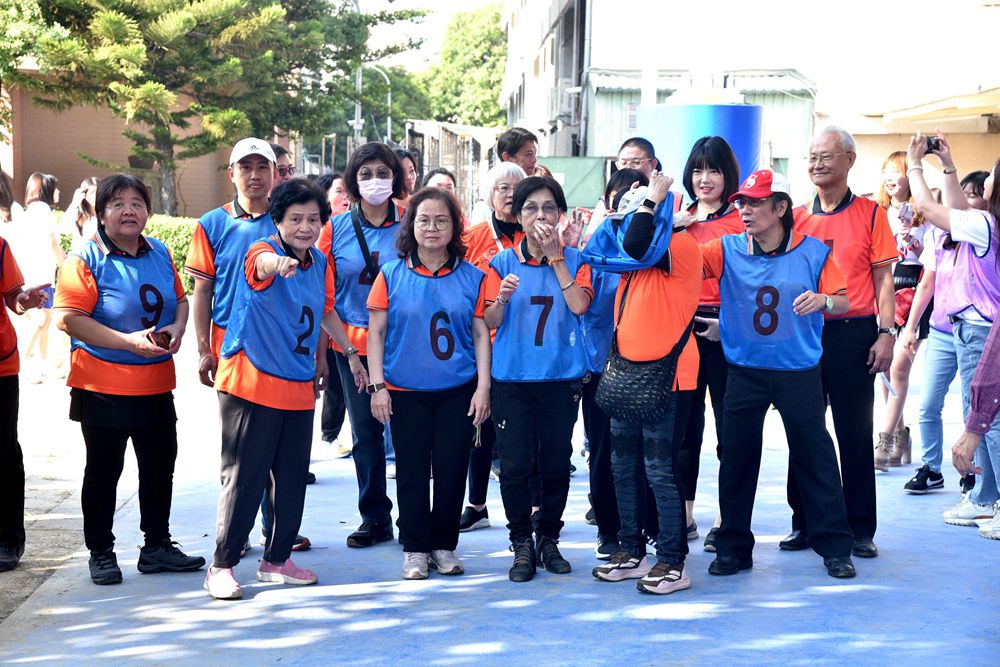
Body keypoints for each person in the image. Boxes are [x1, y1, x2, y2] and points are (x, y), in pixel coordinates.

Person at [204, 178, 366, 599]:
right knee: (246, 476)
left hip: (296, 381)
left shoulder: (320, 262)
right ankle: (222, 565)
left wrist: (349, 353)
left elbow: (326, 311)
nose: (305, 227)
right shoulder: (262, 249)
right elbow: (260, 266)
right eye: (295, 219)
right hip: (251, 378)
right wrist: (277, 264)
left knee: (291, 478)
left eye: (313, 219)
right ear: (277, 220)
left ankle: (277, 559)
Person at [697, 169, 857, 579]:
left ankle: (835, 547)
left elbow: (843, 302)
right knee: (736, 458)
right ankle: (733, 547)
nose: (744, 211)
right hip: (744, 370)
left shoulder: (813, 252)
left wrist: (823, 300)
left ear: (780, 207)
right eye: (741, 203)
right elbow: (683, 267)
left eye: (755, 203)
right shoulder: (725, 248)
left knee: (816, 457)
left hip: (797, 371)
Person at [53, 174, 205, 586]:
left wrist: (178, 328)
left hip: (156, 384)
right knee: (104, 473)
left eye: (137, 203)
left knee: (159, 468)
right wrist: (126, 342)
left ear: (147, 212)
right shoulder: (85, 257)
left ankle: (157, 546)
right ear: (101, 213)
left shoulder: (159, 251)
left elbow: (180, 300)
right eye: (117, 203)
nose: (128, 211)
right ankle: (101, 551)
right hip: (103, 387)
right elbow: (69, 319)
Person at [185, 137, 311, 554]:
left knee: (281, 453)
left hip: (285, 349)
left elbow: (313, 296)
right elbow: (202, 291)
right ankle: (233, 537)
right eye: (246, 167)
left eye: (263, 167)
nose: (255, 176)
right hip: (233, 351)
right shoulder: (212, 224)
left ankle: (277, 532)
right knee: (241, 452)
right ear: (231, 173)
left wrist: (320, 355)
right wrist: (203, 348)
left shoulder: (289, 221)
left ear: (277, 173)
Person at [366, 187, 492, 579]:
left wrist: (483, 387)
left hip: (457, 389)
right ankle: (415, 548)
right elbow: (376, 333)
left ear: (455, 227)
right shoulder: (391, 274)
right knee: (412, 469)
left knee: (453, 468)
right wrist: (378, 386)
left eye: (441, 220)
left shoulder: (472, 276)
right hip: (406, 391)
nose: (432, 227)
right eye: (424, 220)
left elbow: (481, 334)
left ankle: (444, 546)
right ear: (411, 225)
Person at [586, 169, 701, 594]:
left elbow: (636, 241)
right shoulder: (635, 260)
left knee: (659, 470)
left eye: (639, 217)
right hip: (628, 372)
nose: (629, 226)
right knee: (622, 466)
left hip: (669, 376)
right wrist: (632, 208)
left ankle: (672, 561)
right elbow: (619, 242)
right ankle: (631, 550)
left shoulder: (678, 245)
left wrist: (652, 199)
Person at [788, 126, 896, 559]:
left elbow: (883, 280)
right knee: (804, 430)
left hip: (854, 334)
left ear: (849, 160)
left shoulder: (871, 214)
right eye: (812, 157)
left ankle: (859, 527)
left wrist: (886, 334)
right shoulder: (796, 217)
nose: (817, 164)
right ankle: (804, 522)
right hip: (805, 334)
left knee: (854, 432)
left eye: (826, 156)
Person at [484, 175, 592, 582]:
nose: (541, 216)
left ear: (561, 215)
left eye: (549, 208)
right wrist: (502, 298)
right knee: (514, 465)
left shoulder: (576, 260)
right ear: (518, 216)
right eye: (531, 208)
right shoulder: (501, 263)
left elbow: (579, 305)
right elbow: (488, 320)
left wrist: (556, 258)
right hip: (512, 378)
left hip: (560, 378)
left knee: (555, 463)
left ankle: (548, 537)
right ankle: (521, 543)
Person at [906, 133, 1000, 532]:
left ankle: (992, 498)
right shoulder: (984, 223)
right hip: (973, 330)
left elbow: (928, 208)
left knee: (988, 421)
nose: (986, 178)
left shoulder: (985, 224)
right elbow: (956, 208)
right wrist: (946, 163)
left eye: (991, 174)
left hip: (980, 330)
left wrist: (914, 162)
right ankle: (985, 497)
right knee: (979, 416)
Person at [326, 142, 407, 547]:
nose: (375, 180)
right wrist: (340, 351)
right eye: (366, 174)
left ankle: (415, 516)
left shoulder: (413, 221)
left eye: (383, 172)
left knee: (410, 432)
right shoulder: (334, 228)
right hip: (353, 345)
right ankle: (374, 516)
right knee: (366, 433)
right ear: (353, 182)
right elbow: (323, 294)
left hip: (406, 343)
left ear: (396, 177)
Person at [672, 136, 744, 552]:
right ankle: (683, 515)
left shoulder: (741, 221)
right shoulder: (676, 219)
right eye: (698, 170)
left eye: (714, 170)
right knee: (684, 429)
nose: (705, 178)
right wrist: (673, 227)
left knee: (729, 428)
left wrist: (728, 326)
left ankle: (726, 518)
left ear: (727, 175)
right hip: (680, 329)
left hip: (725, 330)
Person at [579, 169, 646, 561]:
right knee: (605, 452)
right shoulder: (599, 244)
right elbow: (589, 306)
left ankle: (645, 526)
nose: (629, 201)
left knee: (648, 453)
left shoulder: (658, 242)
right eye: (622, 195)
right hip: (603, 366)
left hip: (650, 366)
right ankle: (609, 529)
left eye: (639, 195)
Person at [457, 161, 528, 532]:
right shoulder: (473, 237)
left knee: (525, 432)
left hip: (527, 345)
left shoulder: (538, 234)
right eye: (503, 187)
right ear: (489, 195)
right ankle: (477, 505)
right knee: (479, 426)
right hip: (482, 344)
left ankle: (534, 508)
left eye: (517, 187)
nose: (510, 194)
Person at [874, 151, 932, 468]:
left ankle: (884, 443)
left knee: (898, 368)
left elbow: (932, 260)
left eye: (895, 170)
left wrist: (915, 241)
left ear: (910, 175)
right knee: (885, 367)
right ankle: (900, 434)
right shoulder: (878, 213)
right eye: (885, 170)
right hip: (885, 290)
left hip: (916, 290)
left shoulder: (925, 212)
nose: (889, 177)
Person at [0, 239, 51, 573]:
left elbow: (12, 297)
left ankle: (8, 539)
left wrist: (23, 302)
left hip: (0, 366)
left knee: (3, 452)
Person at [9, 173, 64, 382]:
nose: (58, 191)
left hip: (34, 273)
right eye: (55, 187)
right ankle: (21, 361)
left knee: (45, 320)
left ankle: (43, 365)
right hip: (39, 275)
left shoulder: (31, 210)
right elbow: (53, 243)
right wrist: (65, 265)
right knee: (42, 320)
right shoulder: (42, 209)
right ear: (46, 189)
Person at [952, 317, 1000, 539]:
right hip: (966, 322)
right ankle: (984, 498)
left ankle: (984, 499)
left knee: (994, 423)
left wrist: (973, 430)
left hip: (978, 322)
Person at [315, 173, 350, 456]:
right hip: (331, 322)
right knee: (334, 384)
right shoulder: (326, 231)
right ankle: (328, 434)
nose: (345, 197)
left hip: (351, 327)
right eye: (339, 191)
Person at [60, 178, 100, 253]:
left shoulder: (105, 214)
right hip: (80, 257)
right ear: (84, 194)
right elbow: (64, 229)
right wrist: (74, 203)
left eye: (98, 193)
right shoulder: (78, 214)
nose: (95, 197)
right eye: (92, 193)